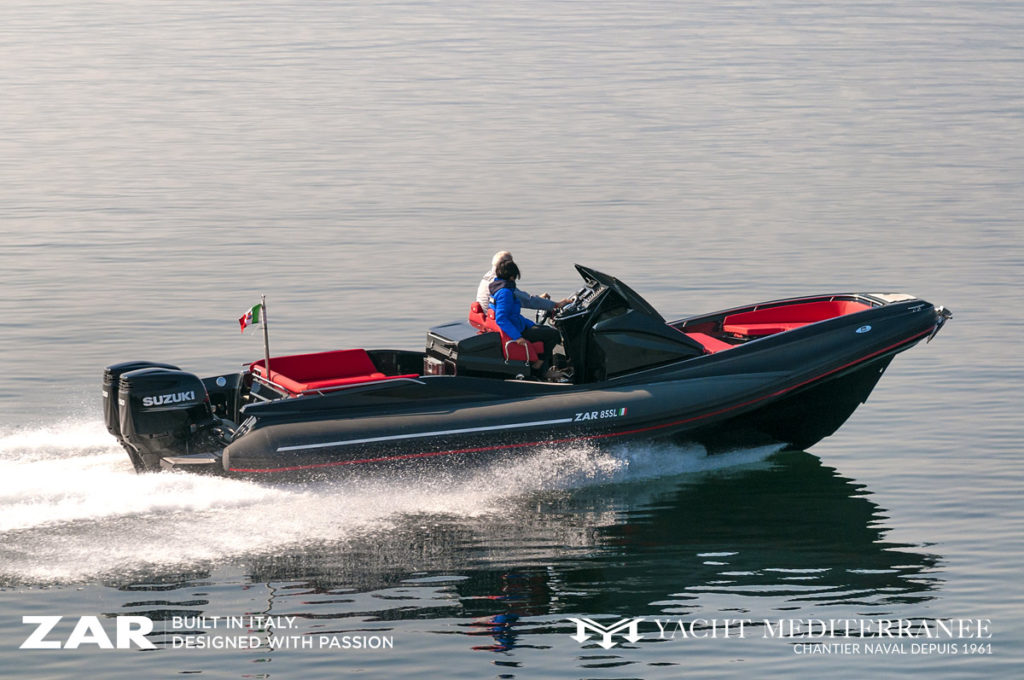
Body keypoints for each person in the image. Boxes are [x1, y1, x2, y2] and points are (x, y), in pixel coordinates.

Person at [489, 259, 566, 379]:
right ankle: (539, 367)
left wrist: (531, 324)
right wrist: (517, 337)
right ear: (511, 276)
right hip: (517, 331)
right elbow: (501, 319)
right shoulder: (505, 292)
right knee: (554, 334)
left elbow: (512, 315)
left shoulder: (497, 286)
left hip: (518, 325)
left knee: (544, 329)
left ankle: (543, 368)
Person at [476, 251, 564, 313]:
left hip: (489, 314)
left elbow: (518, 297)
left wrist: (539, 298)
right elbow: (528, 301)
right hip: (497, 318)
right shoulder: (502, 284)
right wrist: (556, 305)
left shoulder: (488, 277)